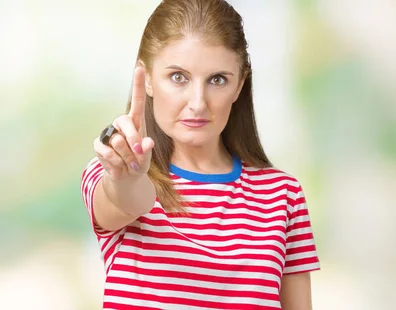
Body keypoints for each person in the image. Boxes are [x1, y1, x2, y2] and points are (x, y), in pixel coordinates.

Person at [79, 0, 320, 308]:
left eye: (217, 80)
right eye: (178, 77)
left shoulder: (283, 196)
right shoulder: (111, 172)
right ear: (148, 77)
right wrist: (128, 177)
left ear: (239, 86)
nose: (198, 102)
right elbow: (126, 199)